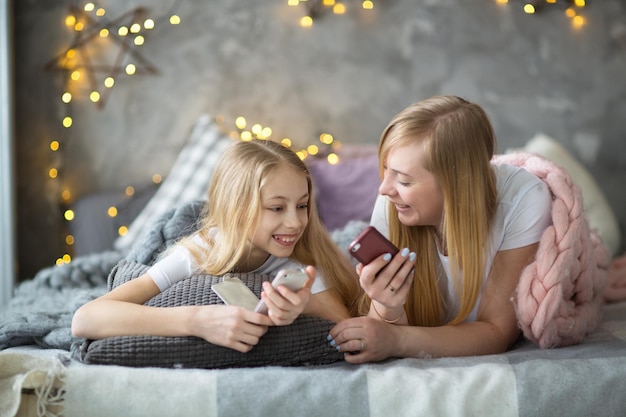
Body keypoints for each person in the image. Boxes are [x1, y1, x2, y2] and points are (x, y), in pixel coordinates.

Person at [72, 139, 361, 353]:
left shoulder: (297, 257)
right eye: (276, 208)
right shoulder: (198, 252)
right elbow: (86, 319)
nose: (296, 222)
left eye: (302, 206)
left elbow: (345, 324)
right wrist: (197, 321)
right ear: (236, 209)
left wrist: (302, 305)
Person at [328, 95, 553, 361]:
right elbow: (385, 333)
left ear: (455, 185)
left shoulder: (523, 198)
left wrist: (397, 339)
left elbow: (496, 332)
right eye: (386, 170)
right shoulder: (392, 203)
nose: (384, 189)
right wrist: (386, 307)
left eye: (404, 181)